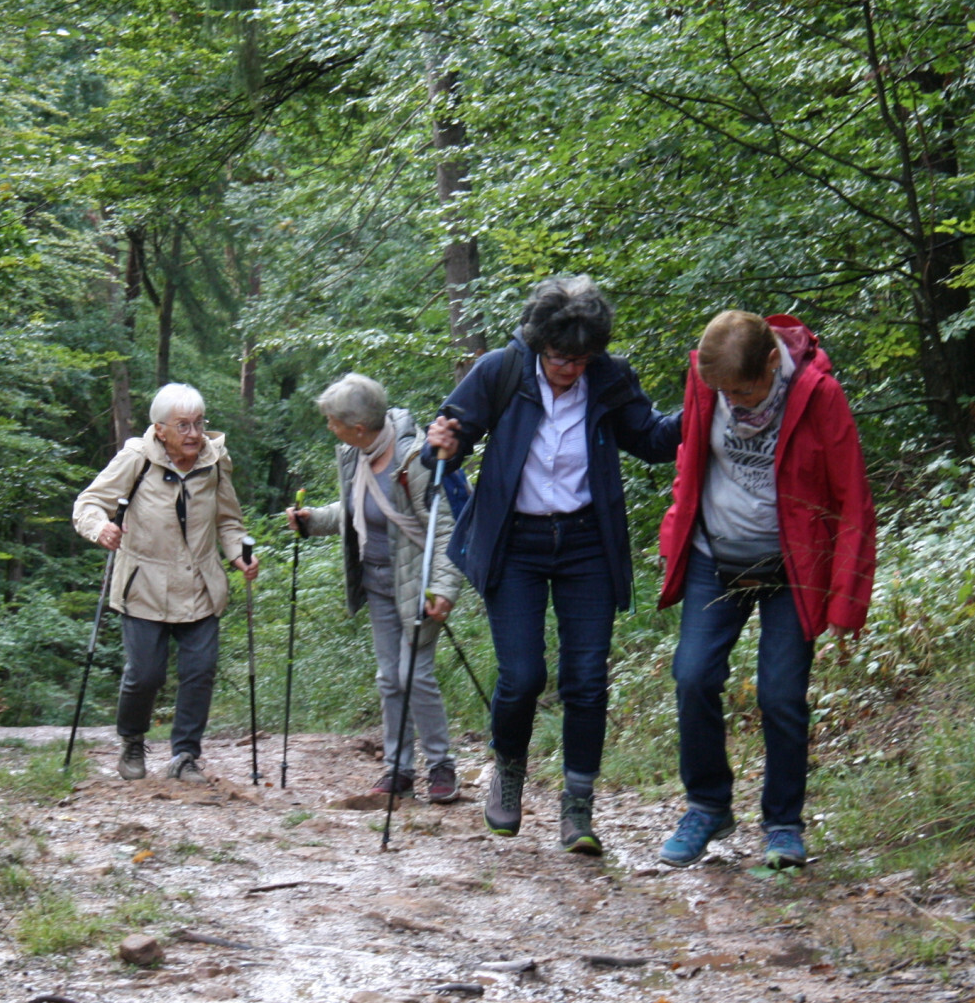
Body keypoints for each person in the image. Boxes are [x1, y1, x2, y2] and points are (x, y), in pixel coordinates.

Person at [425, 275, 681, 855]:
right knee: (522, 676)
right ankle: (508, 770)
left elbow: (649, 438)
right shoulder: (501, 371)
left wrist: (704, 408)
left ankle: (578, 806)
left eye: (581, 359)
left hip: (587, 542)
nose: (570, 369)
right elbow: (448, 440)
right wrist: (441, 444)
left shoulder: (608, 377)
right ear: (539, 343)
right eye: (560, 357)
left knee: (586, 680)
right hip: (514, 542)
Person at [654, 312, 875, 871]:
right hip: (715, 556)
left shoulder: (819, 395)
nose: (734, 401)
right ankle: (707, 806)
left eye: (744, 391)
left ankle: (783, 824)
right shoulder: (708, 384)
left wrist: (847, 597)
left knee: (780, 695)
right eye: (725, 392)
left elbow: (852, 498)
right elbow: (690, 461)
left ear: (773, 362)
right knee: (693, 675)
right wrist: (674, 531)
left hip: (791, 564)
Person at [285, 374, 463, 803]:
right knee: (389, 678)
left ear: (359, 426)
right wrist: (313, 520)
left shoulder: (414, 459)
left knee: (413, 674)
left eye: (333, 421)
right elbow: (354, 509)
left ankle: (441, 766)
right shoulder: (356, 453)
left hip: (419, 582)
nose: (330, 427)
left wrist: (444, 588)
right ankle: (398, 769)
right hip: (378, 580)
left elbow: (445, 528)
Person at [72, 383, 259, 784]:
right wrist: (100, 528)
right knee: (146, 674)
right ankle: (132, 740)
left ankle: (185, 755)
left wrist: (239, 553)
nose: (194, 434)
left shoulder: (215, 460)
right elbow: (88, 503)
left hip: (200, 583)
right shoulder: (136, 459)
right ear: (160, 430)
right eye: (183, 425)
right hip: (144, 584)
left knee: (199, 672)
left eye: (199, 423)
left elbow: (229, 520)